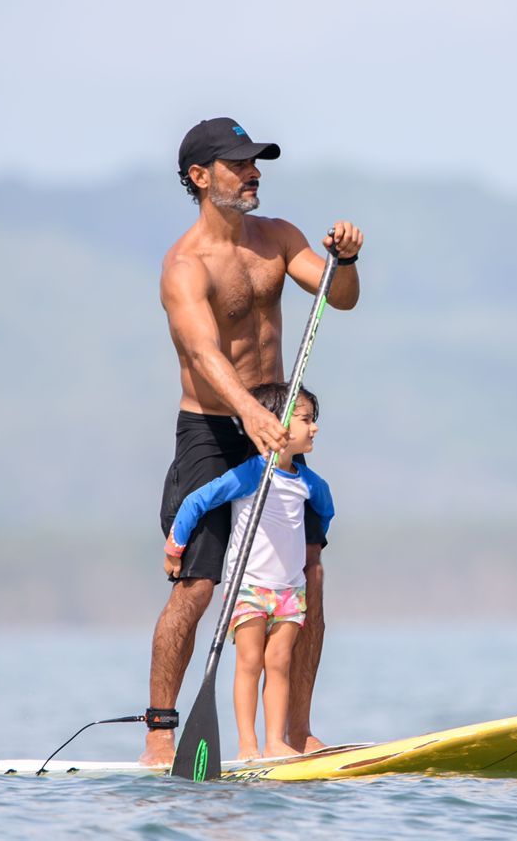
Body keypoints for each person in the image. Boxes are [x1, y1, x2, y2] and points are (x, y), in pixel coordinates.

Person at [139, 116, 363, 768]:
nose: (254, 172)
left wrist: (345, 261)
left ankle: (295, 733)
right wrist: (247, 416)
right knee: (199, 587)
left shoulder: (279, 238)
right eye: (239, 164)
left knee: (306, 574)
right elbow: (204, 354)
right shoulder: (185, 266)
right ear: (200, 177)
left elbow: (338, 299)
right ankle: (160, 732)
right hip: (212, 430)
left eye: (257, 162)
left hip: (275, 424)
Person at [164, 382, 334, 760]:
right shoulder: (248, 475)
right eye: (306, 420)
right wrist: (175, 546)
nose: (314, 428)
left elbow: (326, 509)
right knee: (250, 662)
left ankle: (275, 741)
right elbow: (197, 501)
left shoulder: (308, 482)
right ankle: (248, 746)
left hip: (290, 592)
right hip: (251, 588)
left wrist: (313, 541)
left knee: (279, 664)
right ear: (275, 425)